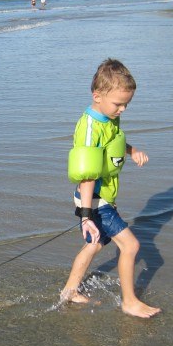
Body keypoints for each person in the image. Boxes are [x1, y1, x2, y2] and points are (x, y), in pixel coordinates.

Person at [62, 58, 162, 318]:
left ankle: (70, 291)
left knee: (94, 245)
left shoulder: (108, 117)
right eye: (119, 104)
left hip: (102, 196)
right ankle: (129, 302)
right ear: (97, 96)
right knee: (130, 246)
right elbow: (87, 174)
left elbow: (114, 144)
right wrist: (85, 216)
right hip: (94, 198)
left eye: (127, 104)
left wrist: (132, 150)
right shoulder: (89, 127)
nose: (123, 110)